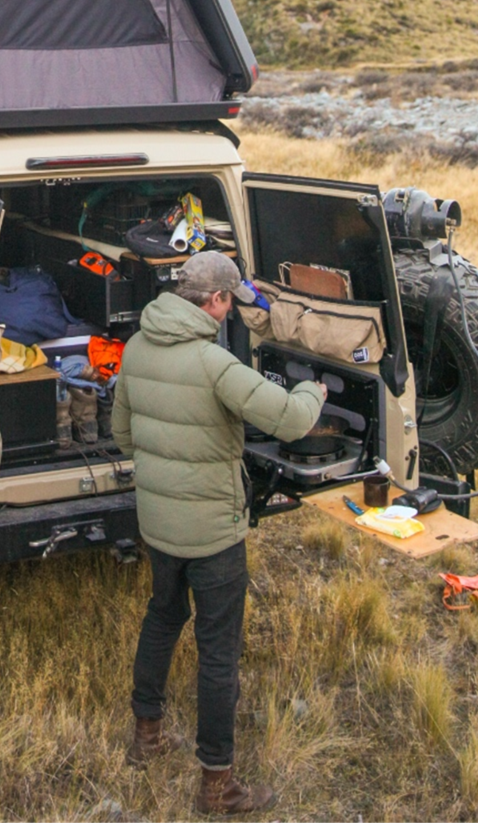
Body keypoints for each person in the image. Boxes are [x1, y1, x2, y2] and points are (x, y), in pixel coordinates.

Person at [111, 250, 326, 816]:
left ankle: (146, 738)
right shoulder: (214, 363)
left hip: (159, 525)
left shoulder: (136, 348)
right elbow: (292, 419)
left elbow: (123, 436)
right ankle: (217, 785)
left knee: (162, 618)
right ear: (216, 300)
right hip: (213, 536)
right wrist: (315, 391)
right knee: (218, 653)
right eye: (230, 301)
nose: (231, 311)